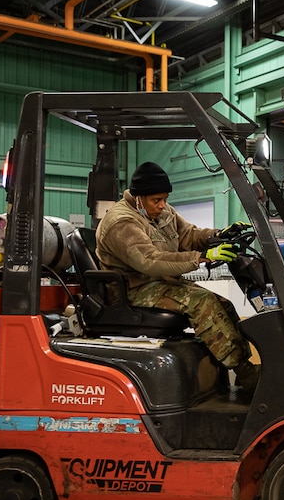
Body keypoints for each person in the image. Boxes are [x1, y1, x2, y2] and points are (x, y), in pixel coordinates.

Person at [95, 161, 259, 392]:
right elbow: (149, 260)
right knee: (203, 303)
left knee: (224, 303)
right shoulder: (121, 222)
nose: (163, 205)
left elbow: (189, 234)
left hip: (160, 284)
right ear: (138, 197)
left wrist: (218, 235)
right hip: (133, 290)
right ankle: (245, 372)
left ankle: (242, 368)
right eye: (157, 200)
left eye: (165, 199)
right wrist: (201, 257)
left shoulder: (161, 211)